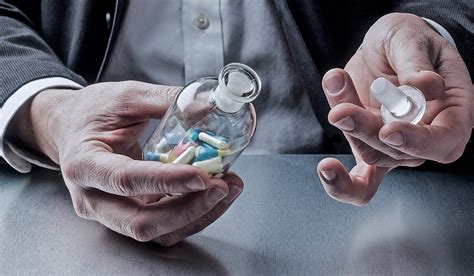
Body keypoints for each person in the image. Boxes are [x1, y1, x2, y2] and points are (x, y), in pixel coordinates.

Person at [0, 0, 472, 246]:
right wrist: (49, 110)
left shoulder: (235, 126)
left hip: (359, 205)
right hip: (54, 204)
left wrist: (430, 34)